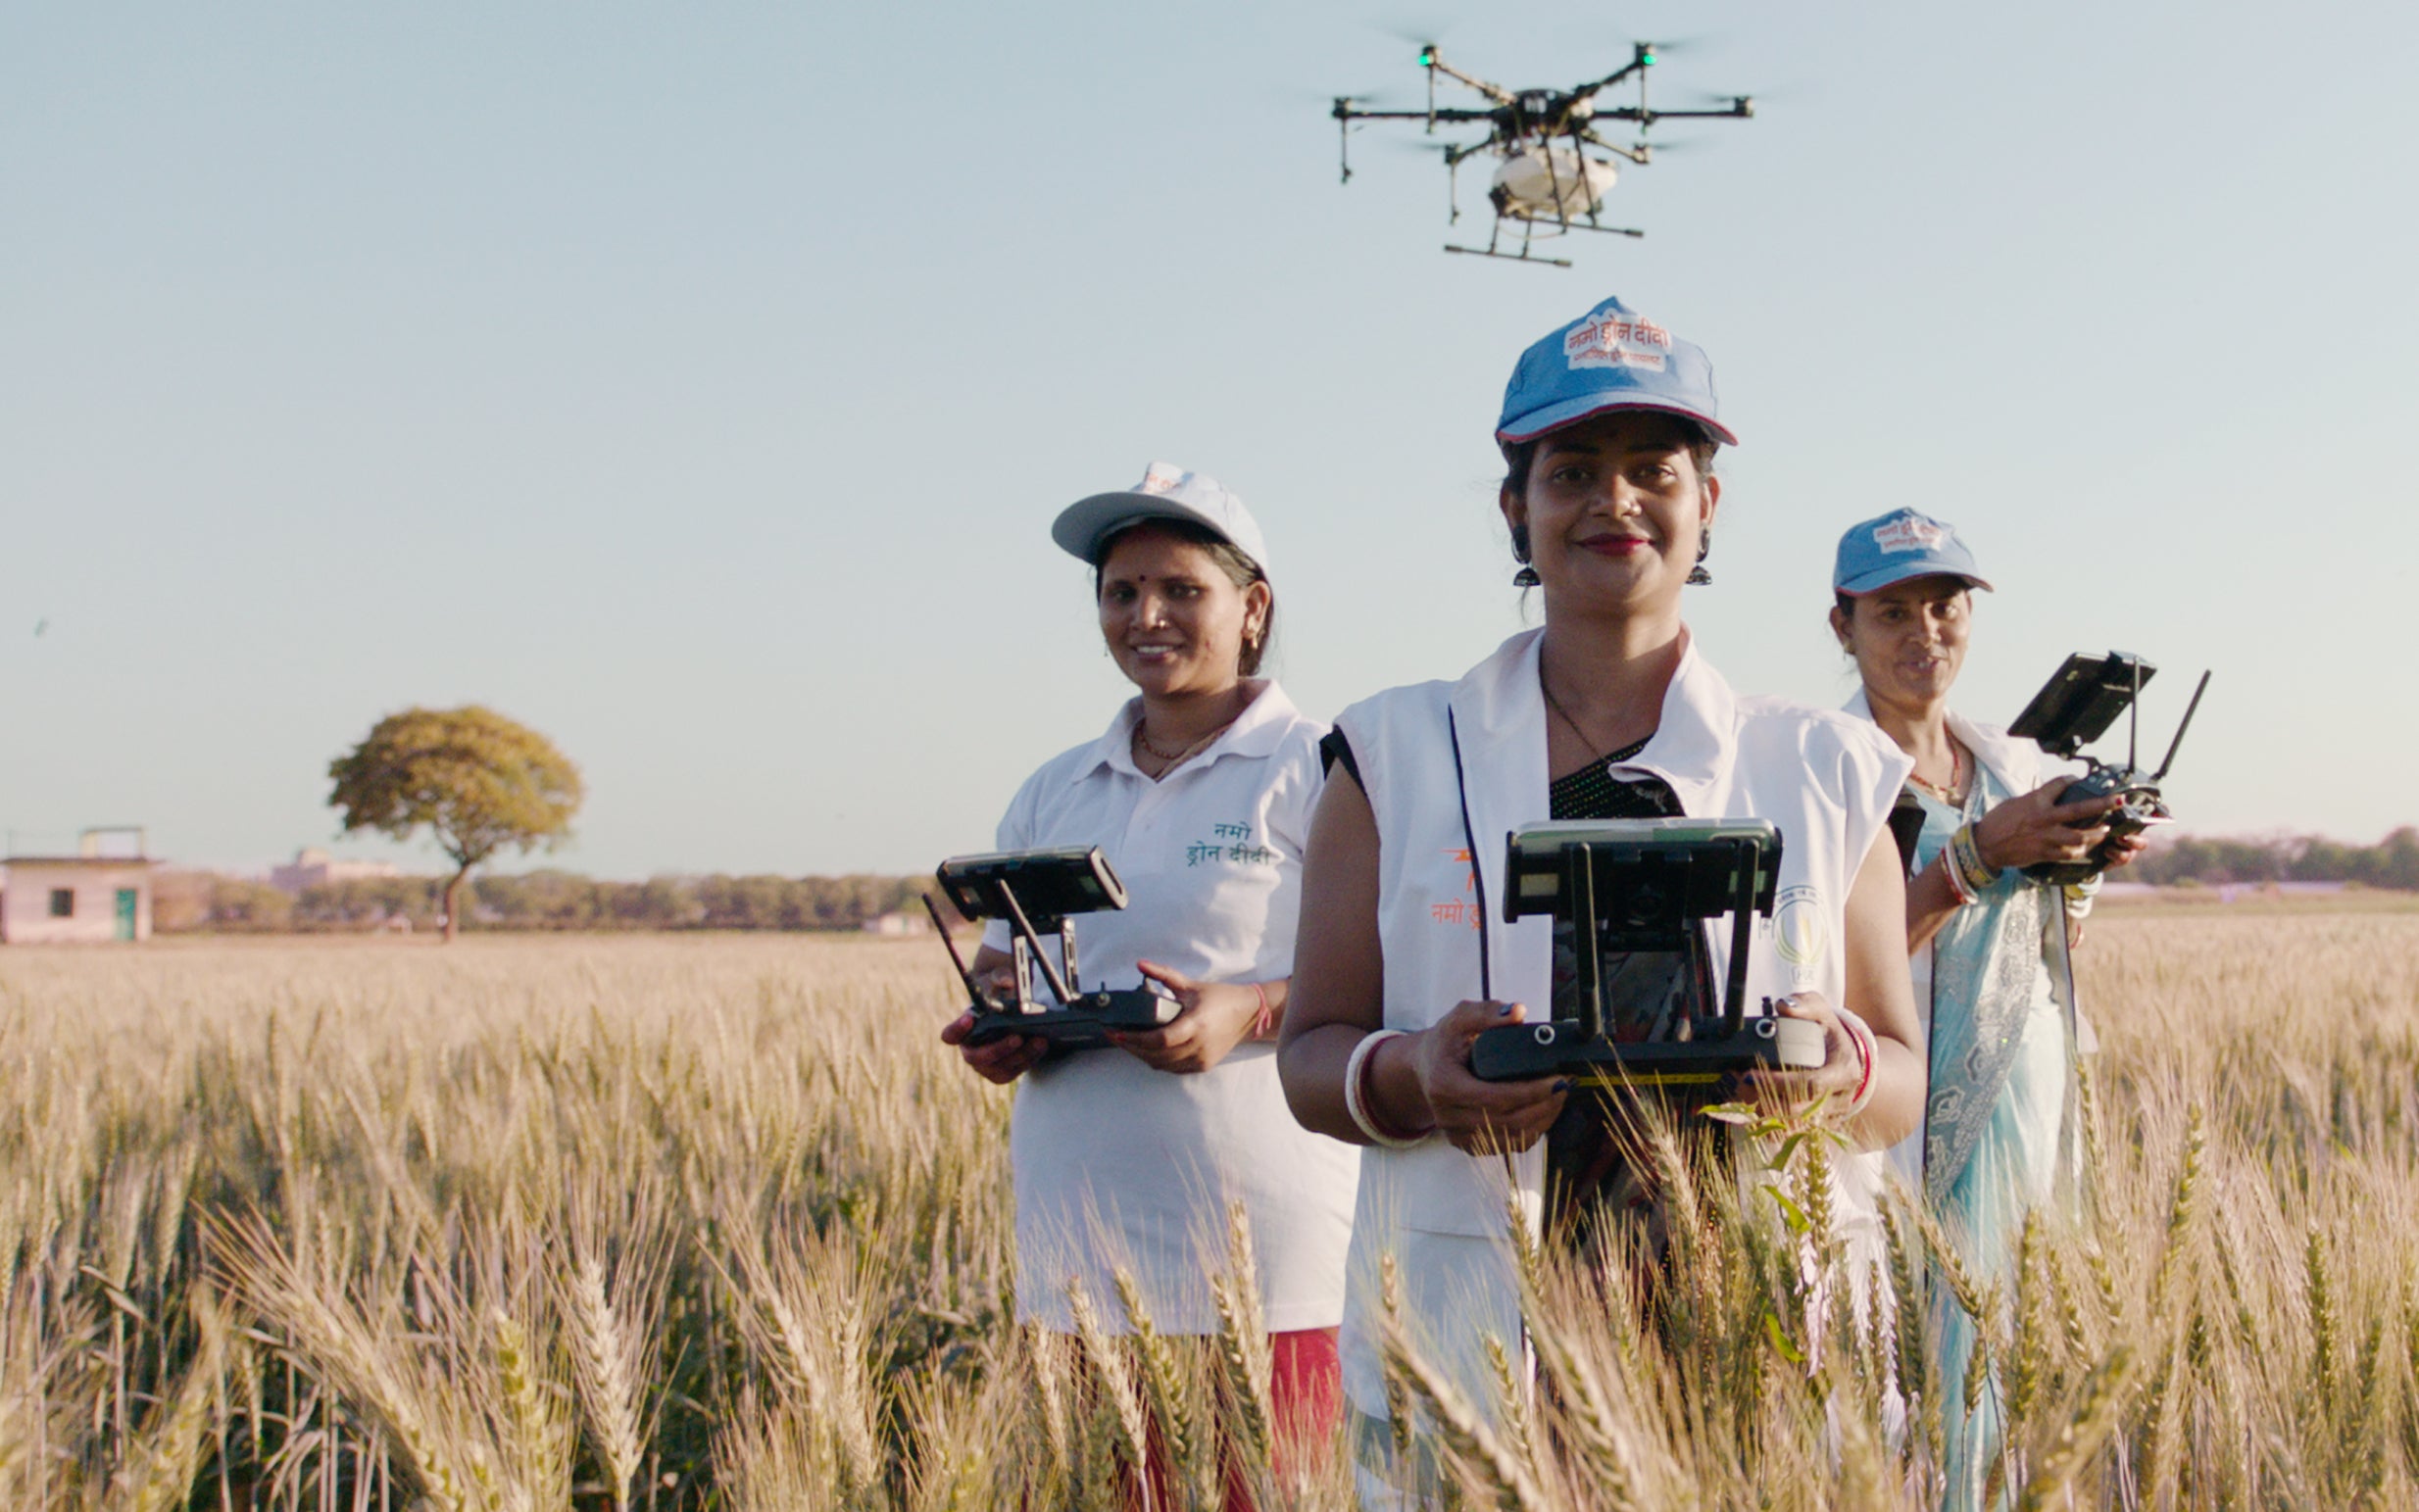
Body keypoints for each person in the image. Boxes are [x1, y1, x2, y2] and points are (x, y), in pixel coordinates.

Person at [1275, 297, 1926, 1503]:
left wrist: (1830, 1069)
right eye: (1569, 469)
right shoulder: (1392, 752)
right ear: (1514, 507)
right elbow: (1309, 1055)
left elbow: (1898, 1073)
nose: (1611, 501)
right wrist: (1409, 1072)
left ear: (1707, 505)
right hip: (1482, 1344)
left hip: (1754, 1343)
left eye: (1651, 470)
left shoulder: (1826, 768)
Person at [938, 463, 1359, 1501]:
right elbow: (1009, 959)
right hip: (1081, 1249)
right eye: (1120, 593)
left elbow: (1391, 974)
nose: (1146, 616)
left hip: (1273, 1250)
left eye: (1180, 589)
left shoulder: (1321, 767)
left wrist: (1247, 1010)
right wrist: (1003, 1024)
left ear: (1251, 607)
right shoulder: (1054, 788)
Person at [1827, 508, 2147, 1510]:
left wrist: (2080, 862)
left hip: (2020, 1105)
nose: (1925, 632)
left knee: (2018, 1366)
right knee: (1903, 1384)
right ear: (1842, 628)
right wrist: (1976, 857)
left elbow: (2049, 952)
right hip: (1905, 1123)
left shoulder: (2004, 762)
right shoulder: (1826, 770)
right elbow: (1837, 967)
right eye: (1892, 612)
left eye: (1945, 605)